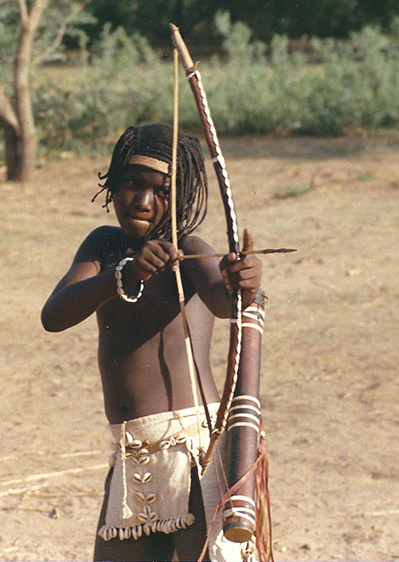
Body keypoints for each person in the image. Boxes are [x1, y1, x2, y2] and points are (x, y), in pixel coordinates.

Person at [41, 123, 263, 562]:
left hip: (193, 453)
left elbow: (226, 302)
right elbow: (55, 315)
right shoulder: (104, 246)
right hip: (130, 454)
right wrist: (123, 274)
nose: (142, 201)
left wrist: (245, 282)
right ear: (112, 184)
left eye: (162, 190)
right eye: (131, 184)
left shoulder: (191, 251)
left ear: (181, 198)